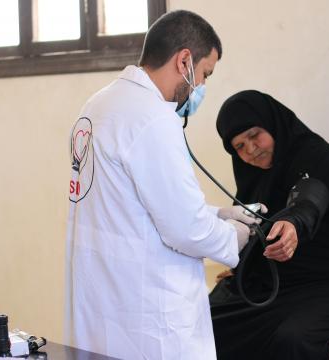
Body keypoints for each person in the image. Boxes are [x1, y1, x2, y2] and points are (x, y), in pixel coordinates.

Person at [64, 11, 257, 360]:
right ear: (184, 60)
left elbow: (135, 204)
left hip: (103, 307)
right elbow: (186, 229)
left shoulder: (99, 105)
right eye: (205, 74)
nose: (202, 87)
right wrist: (234, 236)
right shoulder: (152, 118)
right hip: (149, 319)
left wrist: (219, 212)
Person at [210, 90, 329, 360]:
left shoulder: (316, 156)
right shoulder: (252, 177)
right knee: (204, 323)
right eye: (240, 146)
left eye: (255, 135)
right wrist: (241, 263)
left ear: (273, 124)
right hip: (279, 287)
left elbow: (310, 196)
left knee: (294, 339)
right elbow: (253, 225)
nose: (251, 149)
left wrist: (293, 224)